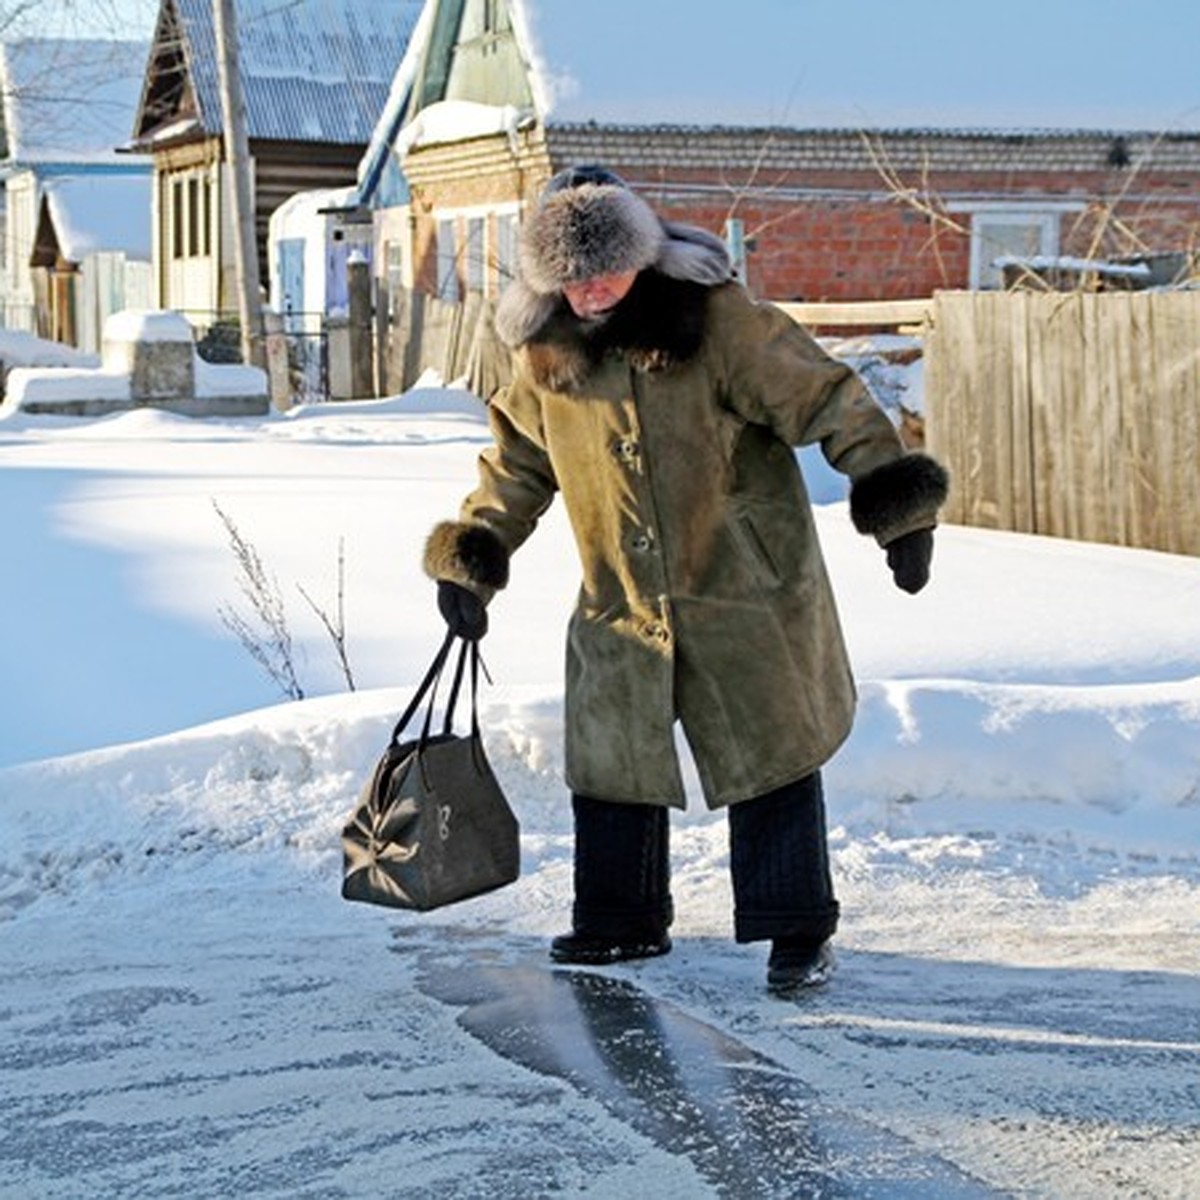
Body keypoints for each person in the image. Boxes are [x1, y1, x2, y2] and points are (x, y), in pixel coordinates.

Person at [423, 165, 948, 993]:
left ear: (641, 255)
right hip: (619, 595)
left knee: (770, 751)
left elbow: (829, 400)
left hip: (745, 581)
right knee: (611, 755)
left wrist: (897, 505)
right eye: (571, 276)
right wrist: (475, 559)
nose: (590, 290)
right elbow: (517, 464)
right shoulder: (547, 353)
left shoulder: (720, 324)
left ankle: (797, 930)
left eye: (605, 269)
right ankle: (620, 923)